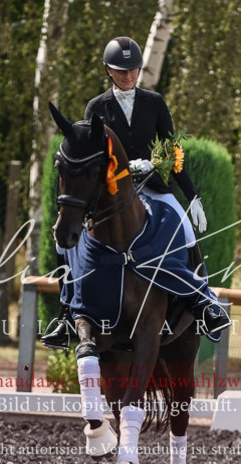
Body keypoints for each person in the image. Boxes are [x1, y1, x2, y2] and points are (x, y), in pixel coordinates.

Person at [40, 35, 230, 349]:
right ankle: (65, 314)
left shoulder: (154, 102)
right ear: (108, 70)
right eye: (120, 70)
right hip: (112, 192)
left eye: (133, 70)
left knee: (185, 228)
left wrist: (192, 195)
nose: (128, 76)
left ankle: (204, 303)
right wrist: (123, 170)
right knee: (68, 241)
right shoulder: (96, 107)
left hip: (152, 186)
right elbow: (93, 155)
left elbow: (171, 149)